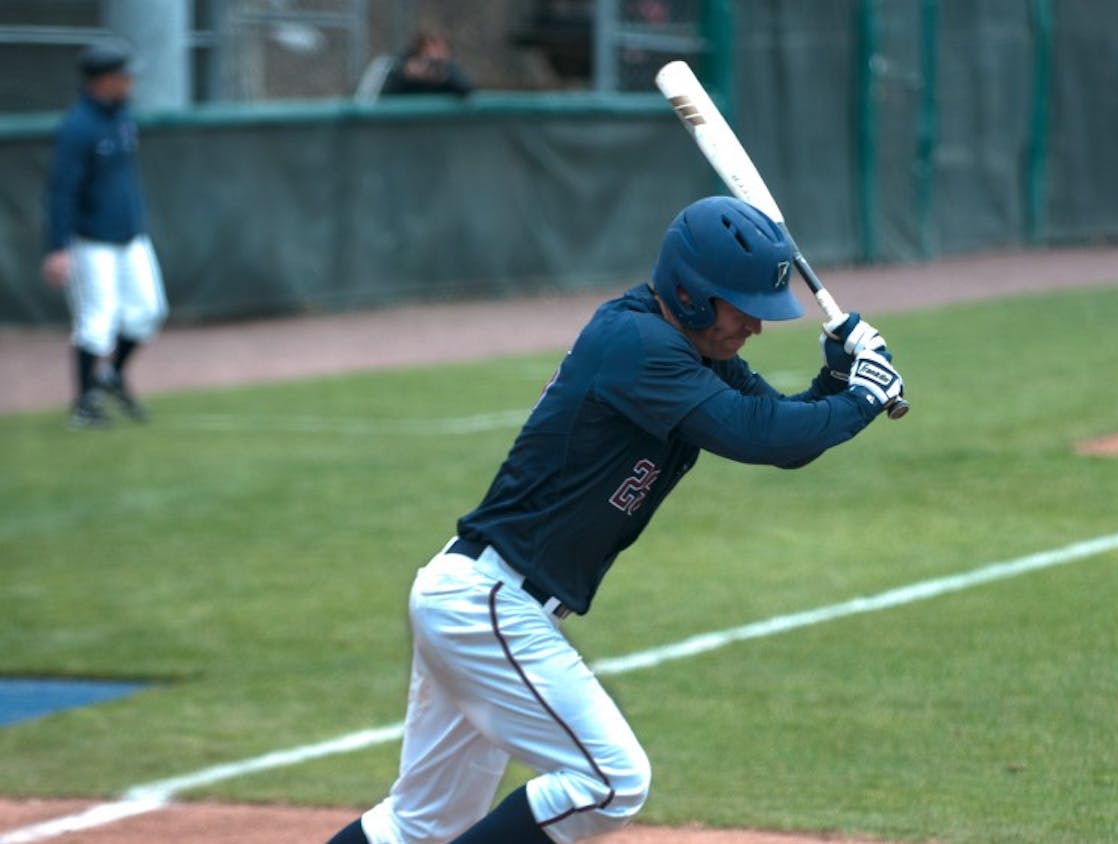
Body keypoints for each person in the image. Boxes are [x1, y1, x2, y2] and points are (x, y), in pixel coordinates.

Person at [326, 195, 906, 844]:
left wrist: (836, 381)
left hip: (477, 600)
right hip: (488, 606)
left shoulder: (695, 351)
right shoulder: (639, 345)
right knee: (611, 780)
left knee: (421, 822)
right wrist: (864, 397)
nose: (756, 325)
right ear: (689, 294)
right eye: (742, 307)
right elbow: (758, 433)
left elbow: (785, 439)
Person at [42, 40, 168, 430]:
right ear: (104, 80)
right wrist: (58, 247)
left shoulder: (121, 116)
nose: (130, 82)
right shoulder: (79, 126)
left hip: (130, 236)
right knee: (97, 324)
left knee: (148, 312)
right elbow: (62, 190)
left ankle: (110, 376)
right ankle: (84, 407)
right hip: (92, 240)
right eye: (123, 76)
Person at [380, 32, 474, 97]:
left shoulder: (450, 69)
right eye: (430, 49)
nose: (435, 56)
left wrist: (444, 77)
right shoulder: (403, 67)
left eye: (440, 50)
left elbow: (467, 89)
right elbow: (384, 96)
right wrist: (406, 75)